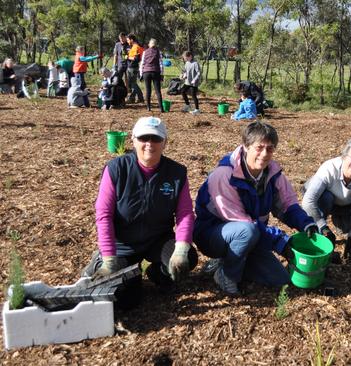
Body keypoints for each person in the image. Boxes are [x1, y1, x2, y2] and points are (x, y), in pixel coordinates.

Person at [193, 121, 318, 296]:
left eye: (270, 149)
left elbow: (288, 204)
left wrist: (306, 225)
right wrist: (280, 242)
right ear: (245, 146)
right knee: (246, 231)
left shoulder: (273, 174)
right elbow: (239, 221)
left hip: (252, 235)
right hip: (212, 235)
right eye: (259, 147)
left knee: (279, 278)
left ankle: (229, 260)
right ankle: (227, 275)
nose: (264, 154)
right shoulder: (225, 175)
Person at [82, 116, 198, 296]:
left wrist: (181, 249)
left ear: (165, 142)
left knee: (188, 259)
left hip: (157, 239)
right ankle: (103, 263)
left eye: (156, 138)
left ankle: (157, 274)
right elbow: (104, 215)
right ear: (133, 141)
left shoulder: (176, 172)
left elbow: (185, 214)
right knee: (127, 297)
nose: (149, 144)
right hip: (123, 244)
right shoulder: (116, 169)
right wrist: (109, 259)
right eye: (143, 138)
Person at [301, 137, 351, 260]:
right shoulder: (329, 168)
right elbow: (308, 201)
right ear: (344, 156)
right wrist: (323, 227)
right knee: (326, 197)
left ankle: (340, 221)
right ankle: (320, 235)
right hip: (323, 201)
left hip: (343, 203)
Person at [139, 38, 165, 112]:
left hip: (146, 72)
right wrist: (162, 74)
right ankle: (161, 108)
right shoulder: (158, 52)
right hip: (156, 72)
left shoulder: (145, 52)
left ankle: (148, 107)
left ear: (149, 44)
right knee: (158, 91)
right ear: (155, 45)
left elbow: (142, 63)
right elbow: (161, 64)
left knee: (148, 90)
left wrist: (141, 74)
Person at [180, 51, 201, 115]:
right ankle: (188, 105)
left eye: (186, 58)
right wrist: (183, 75)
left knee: (193, 95)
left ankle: (197, 110)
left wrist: (194, 79)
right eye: (184, 58)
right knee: (182, 91)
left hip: (194, 83)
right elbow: (185, 71)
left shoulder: (195, 63)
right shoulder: (186, 63)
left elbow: (199, 73)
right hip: (187, 82)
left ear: (190, 56)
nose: (185, 59)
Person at [126, 34, 144, 104]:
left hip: (133, 68)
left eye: (128, 40)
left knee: (133, 84)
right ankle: (133, 98)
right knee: (133, 84)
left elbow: (137, 59)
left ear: (131, 40)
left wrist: (127, 57)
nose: (127, 41)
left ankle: (140, 97)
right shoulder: (133, 47)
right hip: (132, 67)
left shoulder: (136, 47)